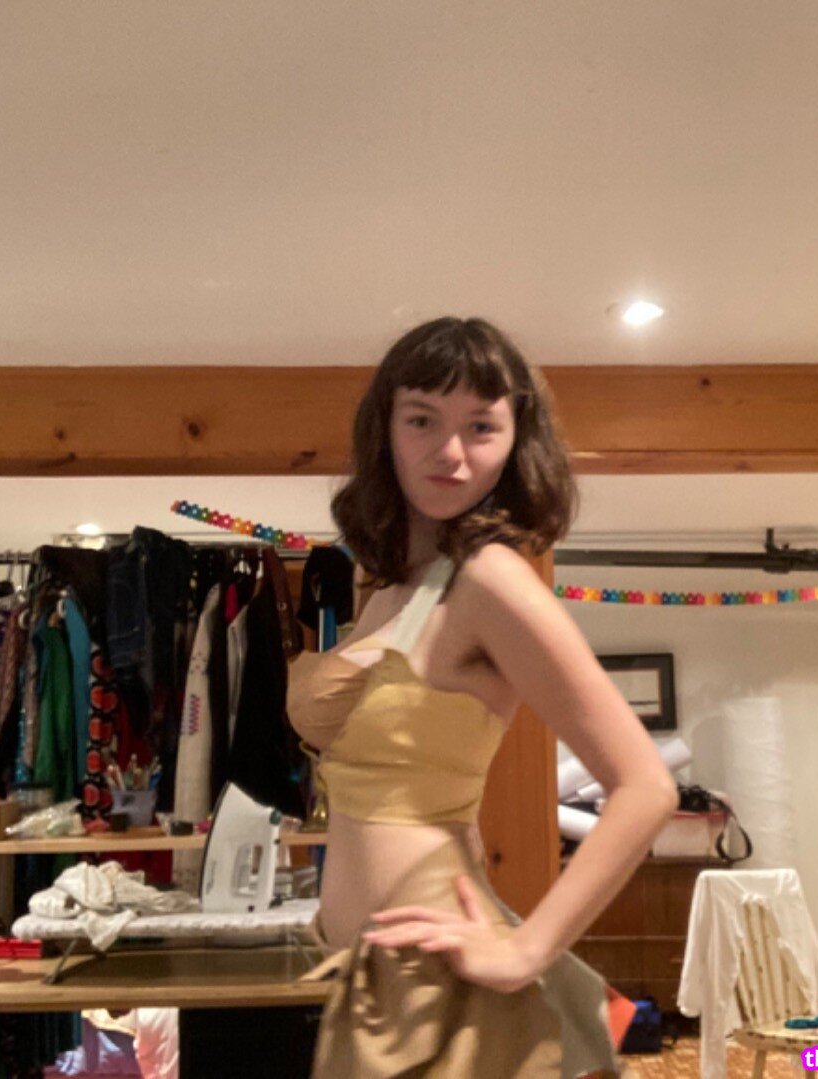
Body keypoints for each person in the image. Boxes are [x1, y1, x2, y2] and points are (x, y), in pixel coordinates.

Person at [287, 316, 678, 1077]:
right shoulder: (390, 583)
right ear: (385, 429)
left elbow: (647, 785)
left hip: (442, 984)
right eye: (422, 420)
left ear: (515, 439)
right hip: (374, 977)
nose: (451, 452)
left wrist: (527, 949)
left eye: (481, 426)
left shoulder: (490, 579)